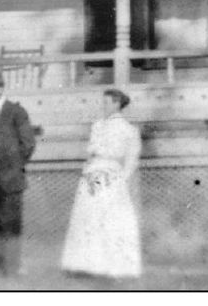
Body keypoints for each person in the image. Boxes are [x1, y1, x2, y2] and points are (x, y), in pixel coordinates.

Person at [59, 88, 143, 280]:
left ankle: (112, 267)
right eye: (103, 103)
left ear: (116, 104)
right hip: (91, 173)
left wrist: (121, 179)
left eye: (106, 103)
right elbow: (91, 152)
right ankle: (85, 265)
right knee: (87, 217)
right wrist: (88, 168)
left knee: (110, 219)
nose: (103, 106)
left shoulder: (129, 129)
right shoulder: (97, 125)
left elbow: (131, 159)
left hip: (112, 175)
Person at [0, 72, 38, 275]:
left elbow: (28, 143)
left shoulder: (16, 111)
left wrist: (13, 165)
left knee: (11, 220)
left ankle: (13, 265)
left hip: (9, 175)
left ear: (0, 89)